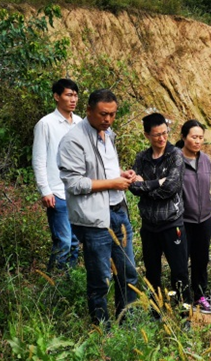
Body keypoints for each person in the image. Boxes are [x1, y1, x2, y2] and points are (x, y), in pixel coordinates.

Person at [57, 89, 138, 326]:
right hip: (94, 219)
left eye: (112, 114)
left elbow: (104, 169)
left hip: (118, 211)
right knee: (100, 279)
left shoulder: (108, 134)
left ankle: (127, 323)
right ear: (89, 110)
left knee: (128, 273)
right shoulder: (73, 140)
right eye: (103, 114)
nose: (108, 119)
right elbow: (74, 183)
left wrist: (121, 174)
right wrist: (112, 183)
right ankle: (102, 329)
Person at [129, 113, 190, 314]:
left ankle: (184, 313)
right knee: (152, 272)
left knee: (179, 271)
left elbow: (170, 188)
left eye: (165, 133)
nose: (162, 138)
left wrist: (145, 186)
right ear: (147, 135)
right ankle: (155, 311)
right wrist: (157, 183)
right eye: (157, 135)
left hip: (171, 223)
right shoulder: (142, 158)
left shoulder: (175, 155)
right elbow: (133, 187)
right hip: (149, 226)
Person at [32, 78, 82, 272]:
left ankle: (68, 282)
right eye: (68, 95)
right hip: (57, 192)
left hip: (77, 191)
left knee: (75, 242)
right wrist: (45, 190)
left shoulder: (80, 123)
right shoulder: (46, 124)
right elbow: (39, 159)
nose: (73, 99)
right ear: (56, 96)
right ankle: (53, 283)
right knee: (63, 242)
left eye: (75, 95)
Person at [177, 119, 211, 314]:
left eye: (201, 137)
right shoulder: (175, 160)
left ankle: (200, 296)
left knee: (201, 261)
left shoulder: (206, 160)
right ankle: (182, 301)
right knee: (181, 263)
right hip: (183, 220)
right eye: (194, 137)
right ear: (184, 137)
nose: (198, 141)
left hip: (204, 219)